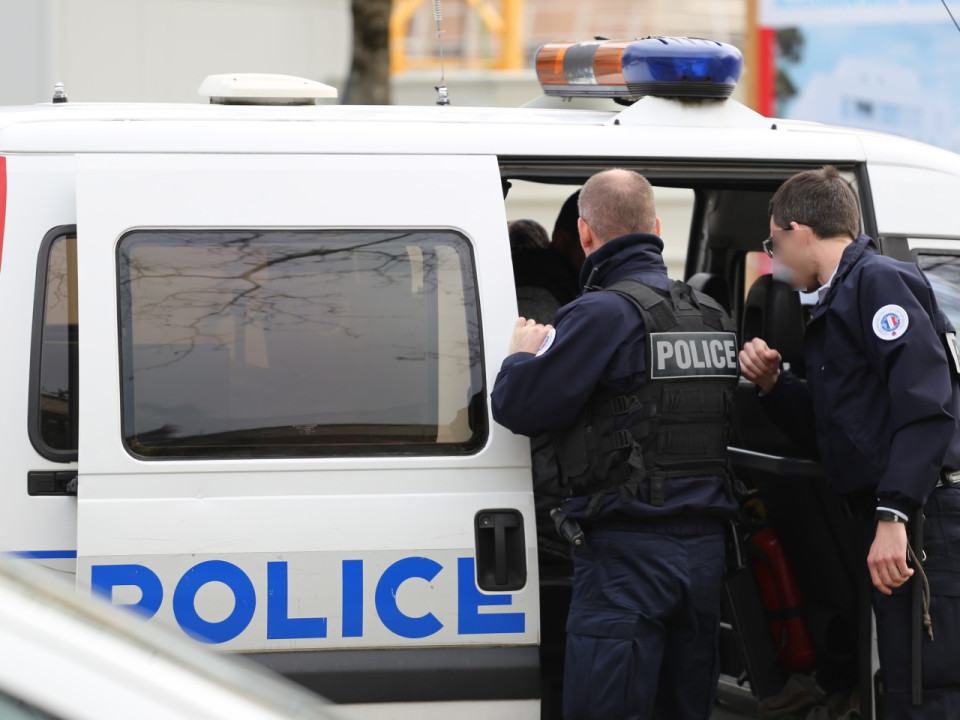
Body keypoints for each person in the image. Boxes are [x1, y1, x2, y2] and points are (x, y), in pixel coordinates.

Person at [492, 169, 739, 719]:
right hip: (704, 560)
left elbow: (518, 407)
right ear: (655, 228)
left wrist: (519, 356)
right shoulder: (713, 316)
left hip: (629, 558)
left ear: (584, 235)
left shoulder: (599, 314)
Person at [739, 166, 960, 717]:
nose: (775, 258)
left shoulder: (878, 282)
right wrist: (774, 385)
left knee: (929, 687)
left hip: (926, 518)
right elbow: (835, 431)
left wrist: (894, 515)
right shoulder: (837, 301)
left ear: (798, 230)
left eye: (774, 243)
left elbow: (926, 408)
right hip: (902, 516)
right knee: (905, 684)